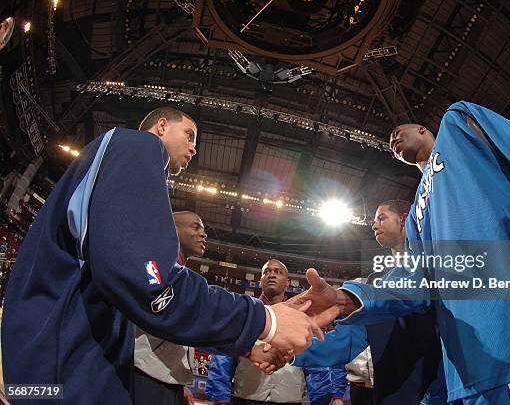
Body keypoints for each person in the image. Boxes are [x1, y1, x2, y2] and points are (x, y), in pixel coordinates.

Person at [292, 101, 510, 404]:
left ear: (423, 130)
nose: (392, 138)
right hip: (470, 375)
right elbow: (415, 282)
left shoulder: (458, 122)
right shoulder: (417, 212)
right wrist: (344, 299)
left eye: (400, 130)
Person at [1, 107, 321, 403]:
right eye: (189, 135)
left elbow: (141, 296)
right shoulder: (138, 146)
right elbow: (153, 287)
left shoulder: (119, 170)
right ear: (161, 126)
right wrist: (265, 320)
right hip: (62, 373)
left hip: (56, 364)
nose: (194, 148)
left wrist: (248, 342)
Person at [288, 201, 444, 404]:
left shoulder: (435, 267)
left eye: (381, 217)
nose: (374, 225)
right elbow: (347, 341)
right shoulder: (374, 282)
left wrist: (341, 299)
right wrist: (290, 349)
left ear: (404, 219)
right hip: (391, 396)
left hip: (435, 395)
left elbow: (406, 290)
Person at [206, 259, 343, 405]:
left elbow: (315, 364)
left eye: (278, 272)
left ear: (288, 282)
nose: (271, 275)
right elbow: (223, 359)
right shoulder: (244, 314)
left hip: (289, 400)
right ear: (260, 281)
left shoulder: (302, 319)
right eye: (267, 272)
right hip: (245, 399)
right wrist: (220, 399)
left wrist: (322, 399)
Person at [133, 211, 206, 405]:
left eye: (203, 229)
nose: (203, 234)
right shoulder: (153, 266)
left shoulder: (179, 274)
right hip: (143, 375)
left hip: (166, 378)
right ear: (173, 229)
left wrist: (179, 381)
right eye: (195, 227)